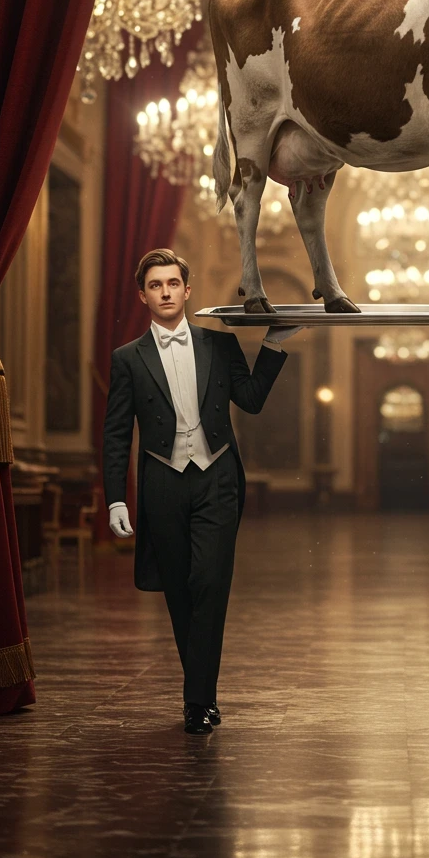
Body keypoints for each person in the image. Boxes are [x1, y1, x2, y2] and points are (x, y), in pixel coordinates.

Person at [103, 248, 302, 734]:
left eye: (173, 283)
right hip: (161, 482)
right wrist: (115, 498)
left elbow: (250, 401)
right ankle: (199, 696)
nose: (166, 292)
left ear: (187, 290)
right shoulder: (127, 359)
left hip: (217, 478)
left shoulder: (219, 344)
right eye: (156, 285)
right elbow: (115, 434)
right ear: (144, 295)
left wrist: (275, 345)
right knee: (180, 591)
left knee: (210, 585)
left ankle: (199, 701)